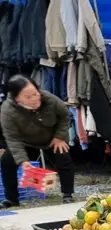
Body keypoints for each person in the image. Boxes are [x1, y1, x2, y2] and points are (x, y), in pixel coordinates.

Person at [0, 75, 75, 208]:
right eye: (28, 97)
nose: (34, 99)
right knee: (7, 160)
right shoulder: (7, 110)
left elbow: (65, 116)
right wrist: (23, 160)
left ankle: (67, 194)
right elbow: (12, 138)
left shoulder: (50, 99)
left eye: (35, 93)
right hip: (26, 142)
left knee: (63, 155)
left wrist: (59, 137)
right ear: (17, 99)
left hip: (52, 138)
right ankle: (12, 199)